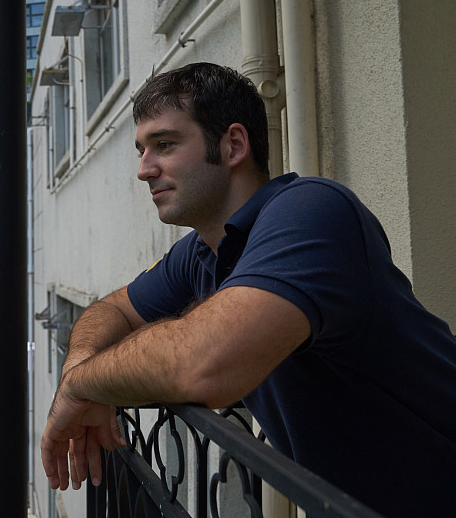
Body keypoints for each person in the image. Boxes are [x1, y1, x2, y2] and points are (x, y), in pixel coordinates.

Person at [40, 62, 456, 516]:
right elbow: (113, 309)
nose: (144, 170)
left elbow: (202, 366)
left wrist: (80, 384)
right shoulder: (202, 250)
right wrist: (79, 369)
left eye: (165, 145)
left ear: (233, 145)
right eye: (142, 151)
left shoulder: (312, 210)